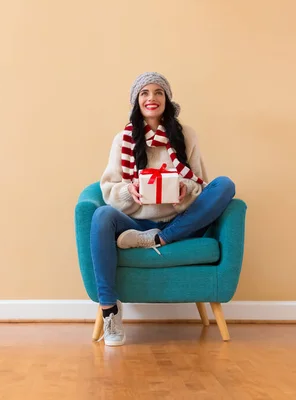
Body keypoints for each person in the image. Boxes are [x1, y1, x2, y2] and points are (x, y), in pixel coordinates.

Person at [91, 72, 235, 346]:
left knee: (225, 185)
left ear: (167, 99)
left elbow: (200, 185)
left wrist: (183, 191)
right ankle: (110, 311)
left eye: (158, 92)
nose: (152, 98)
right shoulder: (123, 139)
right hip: (135, 222)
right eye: (144, 93)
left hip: (178, 222)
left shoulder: (186, 135)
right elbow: (109, 189)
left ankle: (159, 239)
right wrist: (129, 190)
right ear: (137, 101)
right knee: (101, 216)